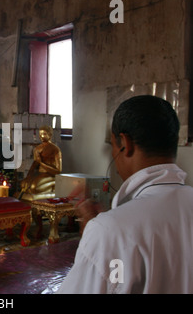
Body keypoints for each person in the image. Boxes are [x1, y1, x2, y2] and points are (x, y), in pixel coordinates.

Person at [58, 95, 193, 294]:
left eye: (113, 145)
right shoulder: (110, 229)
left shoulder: (109, 232)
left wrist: (100, 235)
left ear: (125, 143)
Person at [18, 125, 62, 201]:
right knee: (23, 184)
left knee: (33, 187)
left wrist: (41, 163)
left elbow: (58, 170)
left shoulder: (55, 149)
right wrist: (28, 177)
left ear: (50, 135)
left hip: (50, 175)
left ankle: (52, 187)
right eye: (40, 134)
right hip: (39, 174)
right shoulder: (37, 148)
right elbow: (34, 165)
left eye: (44, 134)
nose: (41, 136)